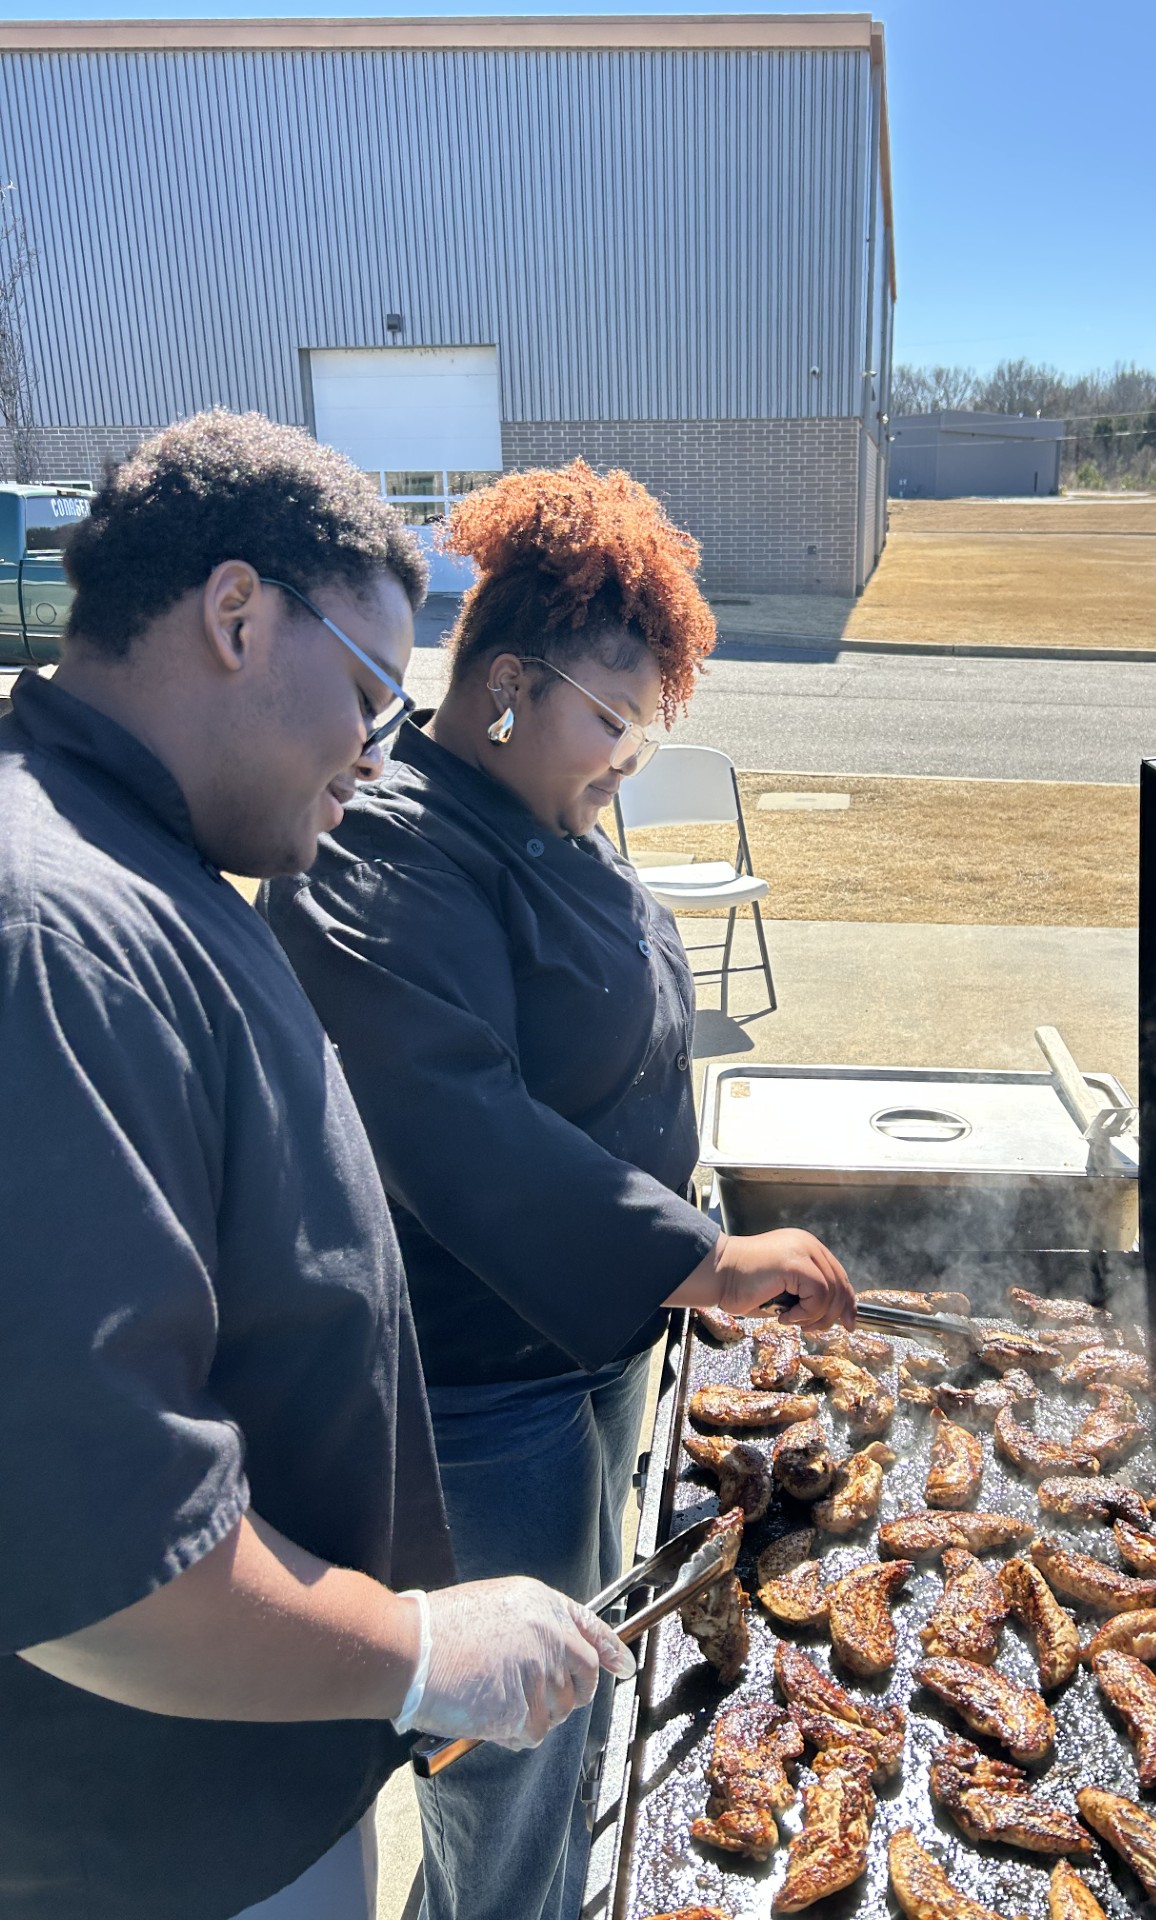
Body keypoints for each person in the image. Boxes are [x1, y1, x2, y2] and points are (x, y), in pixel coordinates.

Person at [0, 413, 633, 1920]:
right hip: (154, 1844)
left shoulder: (143, 861)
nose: (380, 746)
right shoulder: (55, 940)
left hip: (245, 1782)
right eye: (368, 689)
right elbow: (108, 1562)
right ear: (233, 614)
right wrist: (418, 1652)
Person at [260, 460, 855, 1920]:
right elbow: (455, 1123)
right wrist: (706, 1257)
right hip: (478, 1398)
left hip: (586, 1356)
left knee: (569, 1695)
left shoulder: (535, 817)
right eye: (615, 724)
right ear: (510, 683)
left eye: (651, 732)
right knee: (509, 1743)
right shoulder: (384, 842)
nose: (628, 763)